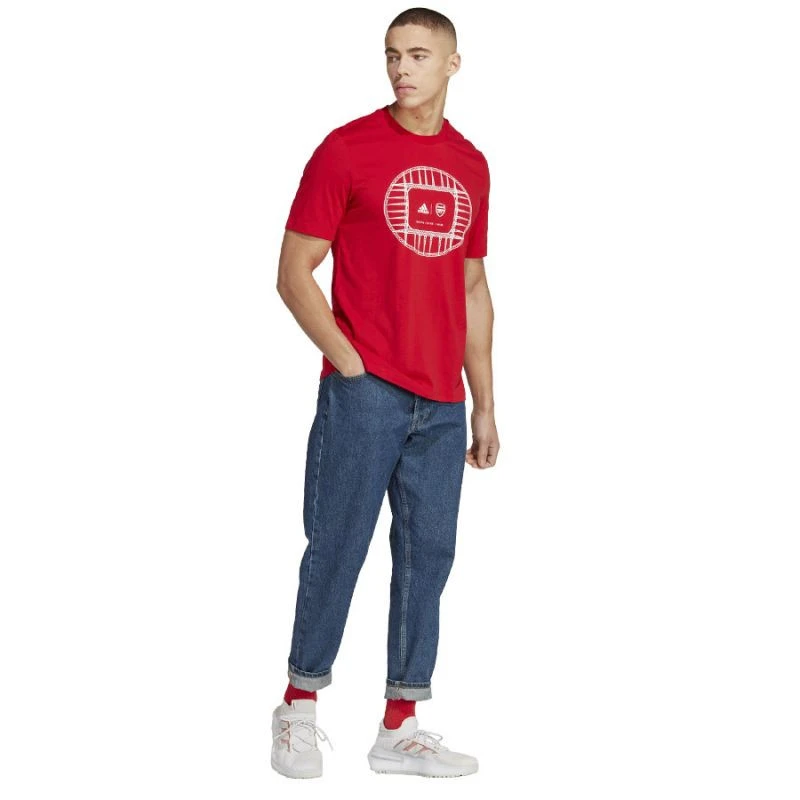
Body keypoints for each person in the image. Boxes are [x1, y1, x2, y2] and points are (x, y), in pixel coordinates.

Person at [271, 7, 499, 779]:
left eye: (419, 55)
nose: (403, 68)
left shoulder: (471, 164)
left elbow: (472, 285)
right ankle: (298, 706)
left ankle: (400, 725)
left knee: (427, 557)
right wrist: (348, 359)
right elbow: (293, 272)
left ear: (453, 64)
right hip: (366, 394)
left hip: (442, 405)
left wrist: (484, 402)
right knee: (337, 545)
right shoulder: (346, 150)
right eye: (393, 54)